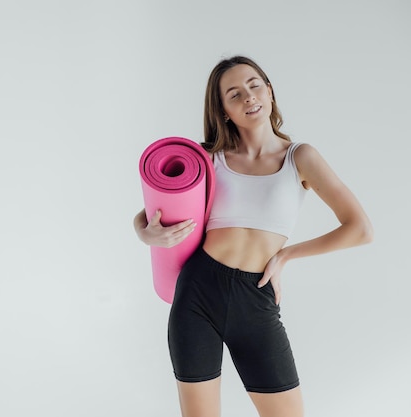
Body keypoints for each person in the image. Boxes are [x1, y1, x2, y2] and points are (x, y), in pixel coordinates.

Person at [133, 55, 373, 417]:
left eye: (254, 85)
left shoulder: (300, 157)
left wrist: (285, 256)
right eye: (234, 94)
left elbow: (360, 228)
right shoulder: (208, 159)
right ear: (224, 110)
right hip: (198, 291)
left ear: (270, 91)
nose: (248, 97)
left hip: (255, 295)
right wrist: (145, 233)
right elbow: (151, 210)